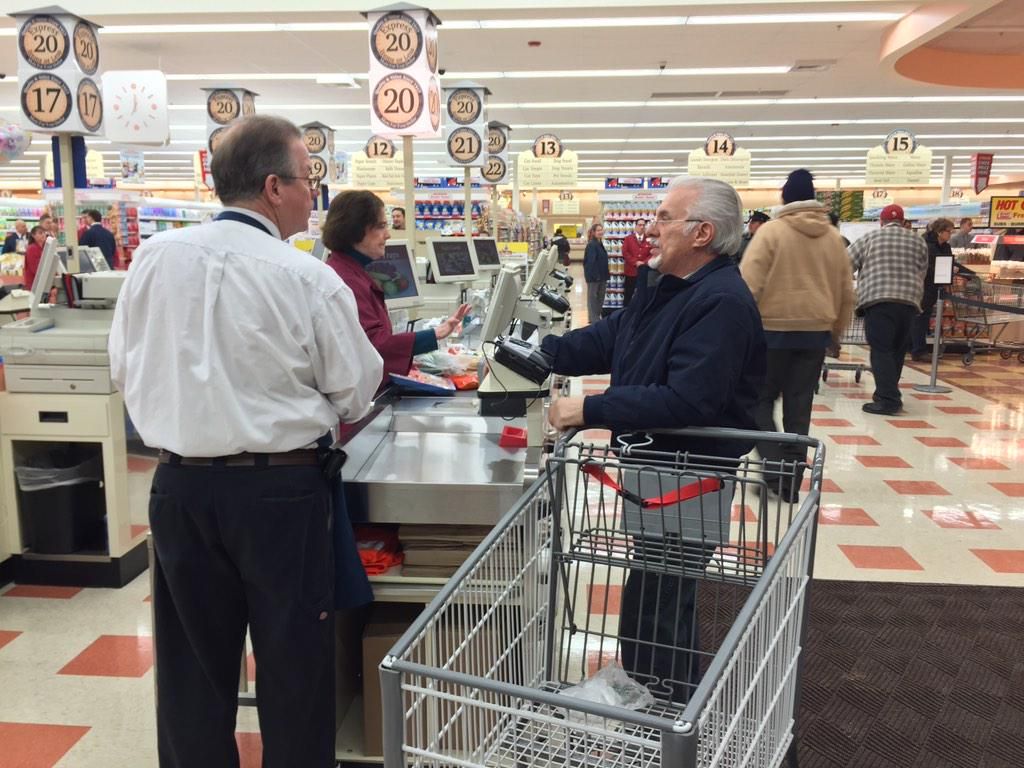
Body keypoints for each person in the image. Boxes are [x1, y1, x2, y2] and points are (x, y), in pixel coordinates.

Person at [109, 115, 383, 768]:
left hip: (177, 487)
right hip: (280, 496)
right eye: (306, 178)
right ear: (272, 187)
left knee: (191, 676)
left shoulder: (153, 259)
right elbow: (355, 389)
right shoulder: (308, 279)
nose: (313, 194)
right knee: (294, 671)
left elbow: (124, 365)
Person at [543, 176, 766, 703]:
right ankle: (657, 704)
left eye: (666, 217)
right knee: (652, 597)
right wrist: (542, 351)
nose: (652, 227)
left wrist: (588, 409)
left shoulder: (721, 303)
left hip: (691, 475)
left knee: (660, 606)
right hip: (658, 471)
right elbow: (614, 337)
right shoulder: (667, 288)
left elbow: (690, 400)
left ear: (702, 233)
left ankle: (666, 715)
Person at [741, 169, 855, 501]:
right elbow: (846, 291)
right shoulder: (833, 237)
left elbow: (748, 285)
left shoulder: (771, 233)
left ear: (784, 197)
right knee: (799, 407)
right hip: (814, 334)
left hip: (769, 333)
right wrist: (836, 332)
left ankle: (774, 466)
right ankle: (790, 482)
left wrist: (739, 331)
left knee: (757, 402)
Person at [322, 190, 469, 386]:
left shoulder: (352, 272)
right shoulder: (345, 281)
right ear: (355, 229)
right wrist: (435, 334)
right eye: (381, 226)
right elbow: (374, 345)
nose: (388, 234)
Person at [847, 204, 927, 415]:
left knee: (881, 350)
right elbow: (923, 271)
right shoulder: (918, 241)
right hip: (909, 303)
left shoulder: (870, 238)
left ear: (881, 222)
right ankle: (887, 392)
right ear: (902, 221)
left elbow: (845, 263)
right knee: (897, 350)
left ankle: (888, 399)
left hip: (878, 301)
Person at [621, 219, 652, 304]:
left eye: (643, 225)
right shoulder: (628, 239)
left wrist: (644, 262)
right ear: (635, 227)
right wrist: (635, 262)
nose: (642, 227)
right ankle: (626, 313)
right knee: (628, 294)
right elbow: (625, 252)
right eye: (639, 225)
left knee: (643, 294)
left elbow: (652, 253)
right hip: (630, 272)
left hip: (644, 272)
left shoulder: (649, 239)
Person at [583, 222, 609, 322]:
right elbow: (590, 262)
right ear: (593, 232)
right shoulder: (592, 245)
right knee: (593, 298)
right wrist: (595, 276)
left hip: (602, 276)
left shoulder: (599, 243)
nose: (600, 232)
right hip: (595, 277)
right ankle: (594, 319)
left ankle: (594, 317)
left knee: (600, 298)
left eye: (601, 230)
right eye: (598, 230)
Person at [22, 225, 47, 291]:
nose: (43, 235)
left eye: (44, 232)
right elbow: (35, 269)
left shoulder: (43, 247)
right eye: (40, 233)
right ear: (33, 235)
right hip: (33, 282)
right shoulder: (32, 248)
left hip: (39, 281)